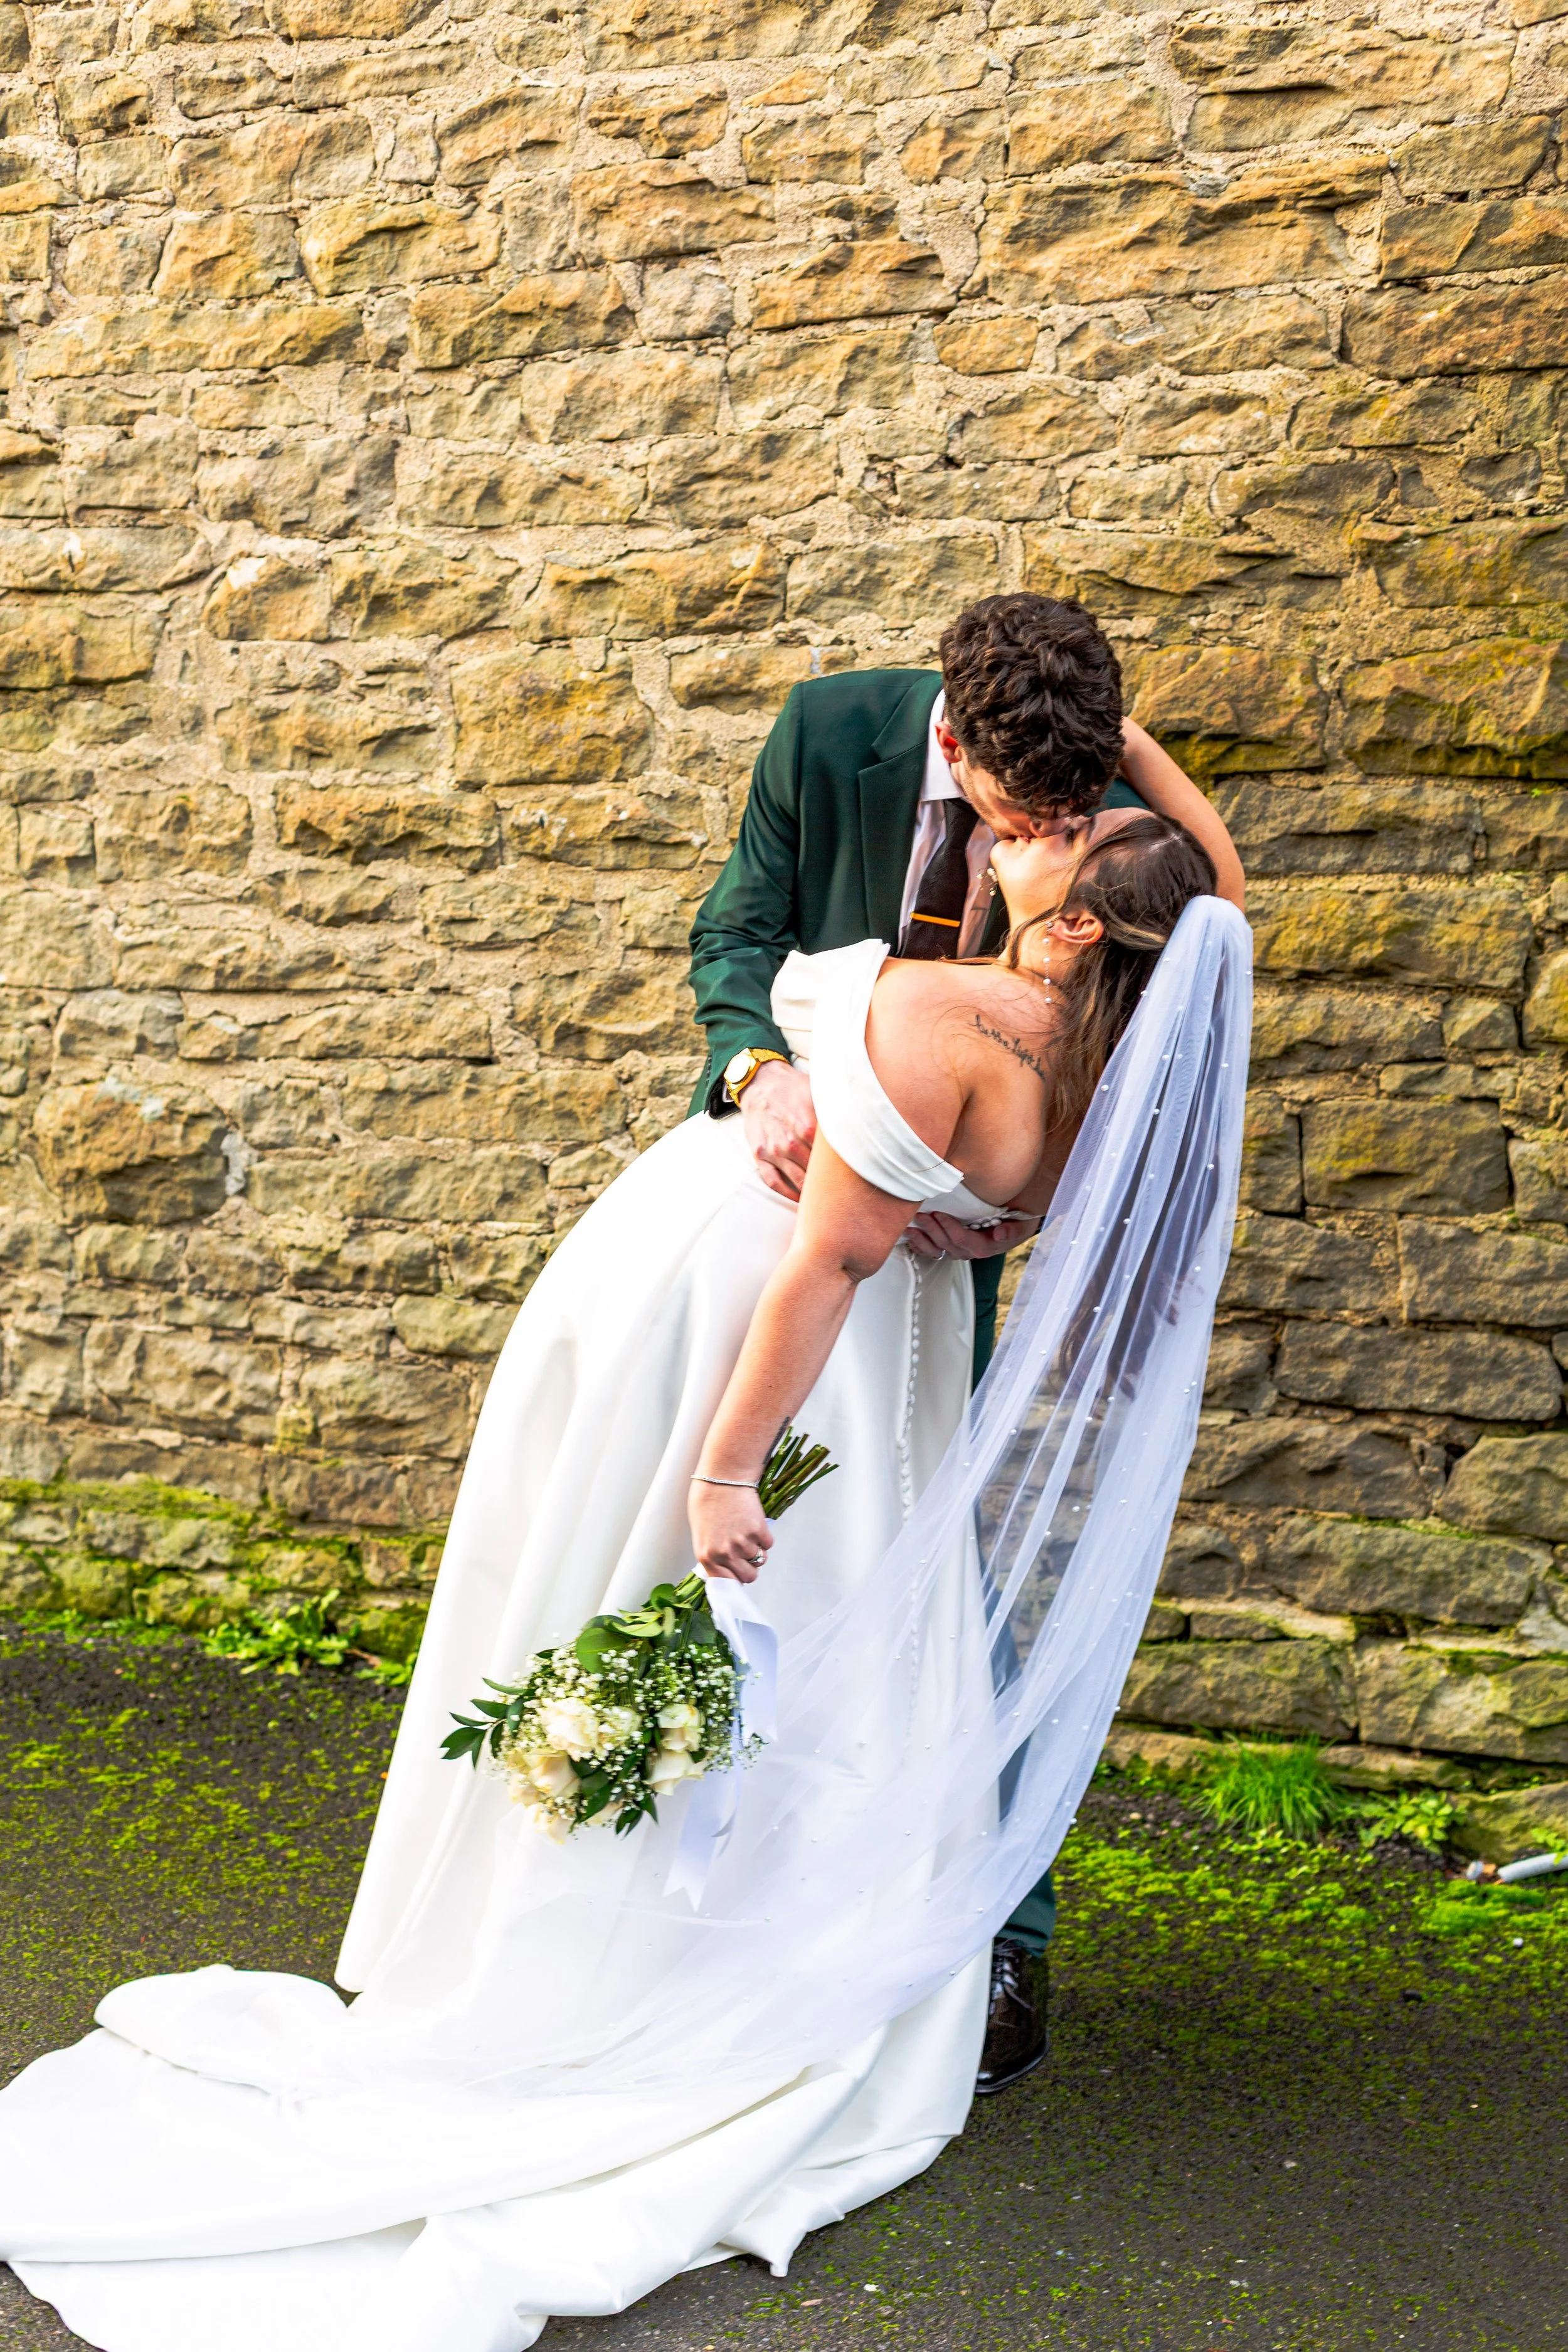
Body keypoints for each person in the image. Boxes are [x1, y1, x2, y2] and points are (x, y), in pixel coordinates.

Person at [0, 721, 1251, 2352]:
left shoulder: (943, 1010)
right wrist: (1120, 750)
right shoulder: (1125, 1056)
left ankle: (606, 1923)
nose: (1026, 840)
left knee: (697, 1576)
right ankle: (720, 1888)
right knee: (830, 1600)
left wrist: (726, 1470)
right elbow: (1208, 889)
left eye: (1054, 845)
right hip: (892, 1393)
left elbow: (821, 1273)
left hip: (778, 1355)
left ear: (1080, 919)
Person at [689, 591, 1246, 2090]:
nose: (1059, 823)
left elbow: (1184, 963)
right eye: (1032, 807)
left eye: (1084, 801)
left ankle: (997, 1929)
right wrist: (758, 1076)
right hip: (782, 1193)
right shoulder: (826, 733)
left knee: (945, 1560)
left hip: (935, 1241)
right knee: (764, 1544)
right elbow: (737, 934)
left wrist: (1003, 1216)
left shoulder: (1098, 818)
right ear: (951, 737)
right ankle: (705, 1875)